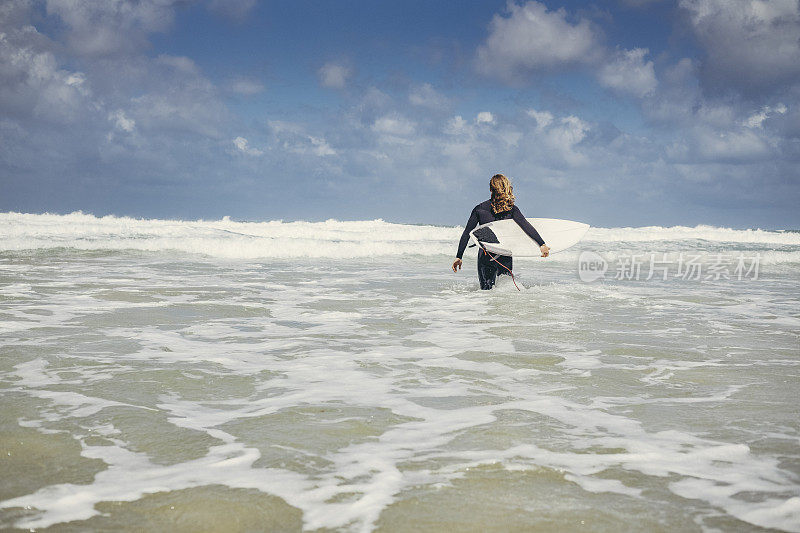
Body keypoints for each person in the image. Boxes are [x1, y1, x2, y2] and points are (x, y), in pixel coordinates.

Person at [452, 174, 550, 289]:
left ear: (490, 189)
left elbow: (467, 233)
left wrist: (459, 256)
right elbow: (526, 227)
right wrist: (541, 244)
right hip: (505, 256)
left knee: (486, 292)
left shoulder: (480, 209)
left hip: (486, 256)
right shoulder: (511, 209)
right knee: (506, 293)